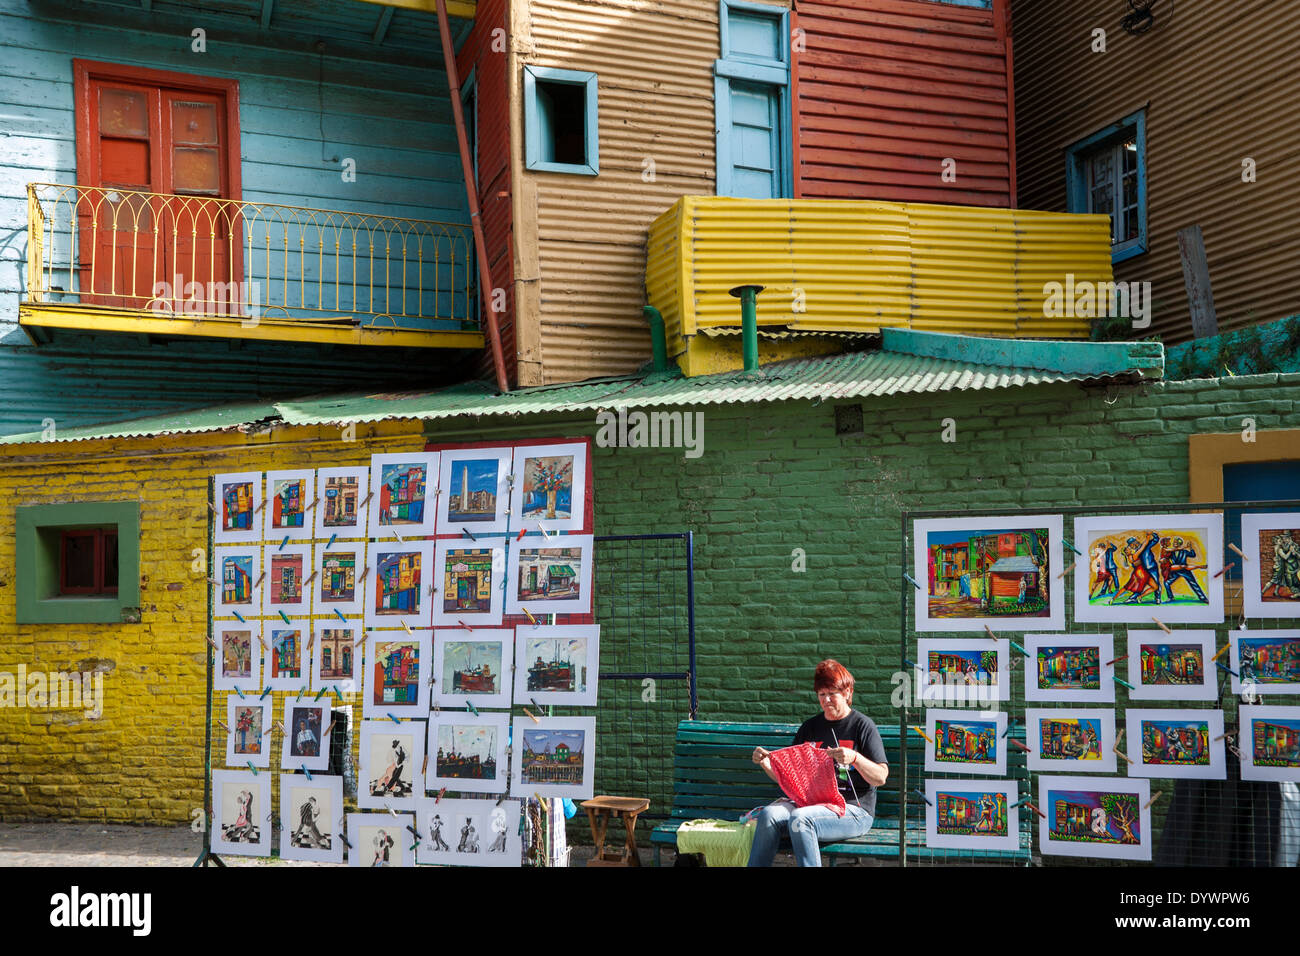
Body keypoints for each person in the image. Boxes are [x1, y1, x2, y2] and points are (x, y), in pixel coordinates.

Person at [748, 660, 888, 867]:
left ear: (848, 693)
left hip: (854, 810)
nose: (827, 700)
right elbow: (789, 777)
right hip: (810, 805)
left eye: (833, 693)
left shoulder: (862, 726)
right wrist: (767, 763)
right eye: (822, 695)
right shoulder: (810, 727)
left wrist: (855, 758)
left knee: (801, 818)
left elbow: (881, 776)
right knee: (769, 815)